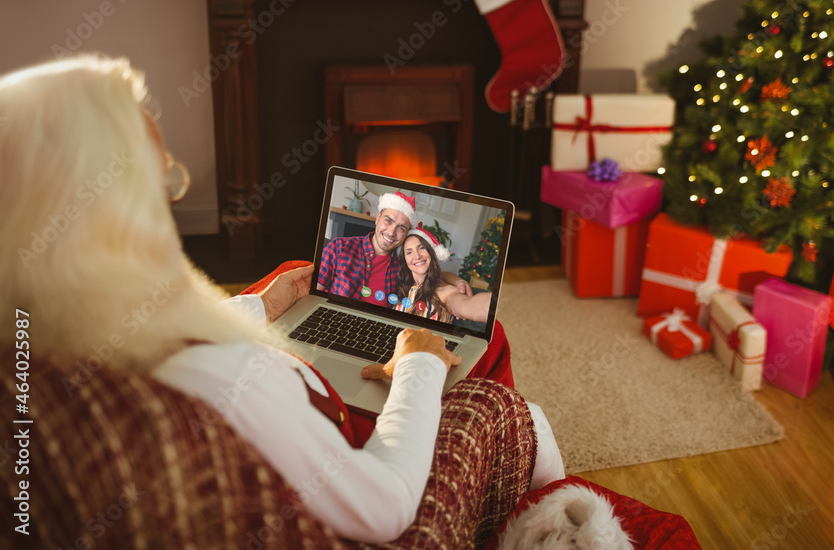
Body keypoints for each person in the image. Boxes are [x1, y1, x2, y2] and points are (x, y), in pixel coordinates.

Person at [0, 55, 564, 544]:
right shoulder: (218, 380)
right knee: (515, 411)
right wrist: (417, 361)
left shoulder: (31, 349)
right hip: (374, 502)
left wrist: (258, 308)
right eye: (159, 182)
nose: (170, 196)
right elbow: (384, 507)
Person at [316, 191, 474, 307]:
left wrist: (460, 281)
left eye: (401, 228)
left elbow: (433, 273)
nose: (391, 232)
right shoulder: (339, 248)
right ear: (377, 218)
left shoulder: (403, 264)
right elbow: (313, 294)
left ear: (406, 234)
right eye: (388, 220)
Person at [395, 226, 492, 324]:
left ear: (431, 252)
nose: (417, 256)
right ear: (404, 260)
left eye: (421, 248)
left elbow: (467, 305)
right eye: (409, 252)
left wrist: (494, 305)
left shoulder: (445, 291)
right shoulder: (400, 286)